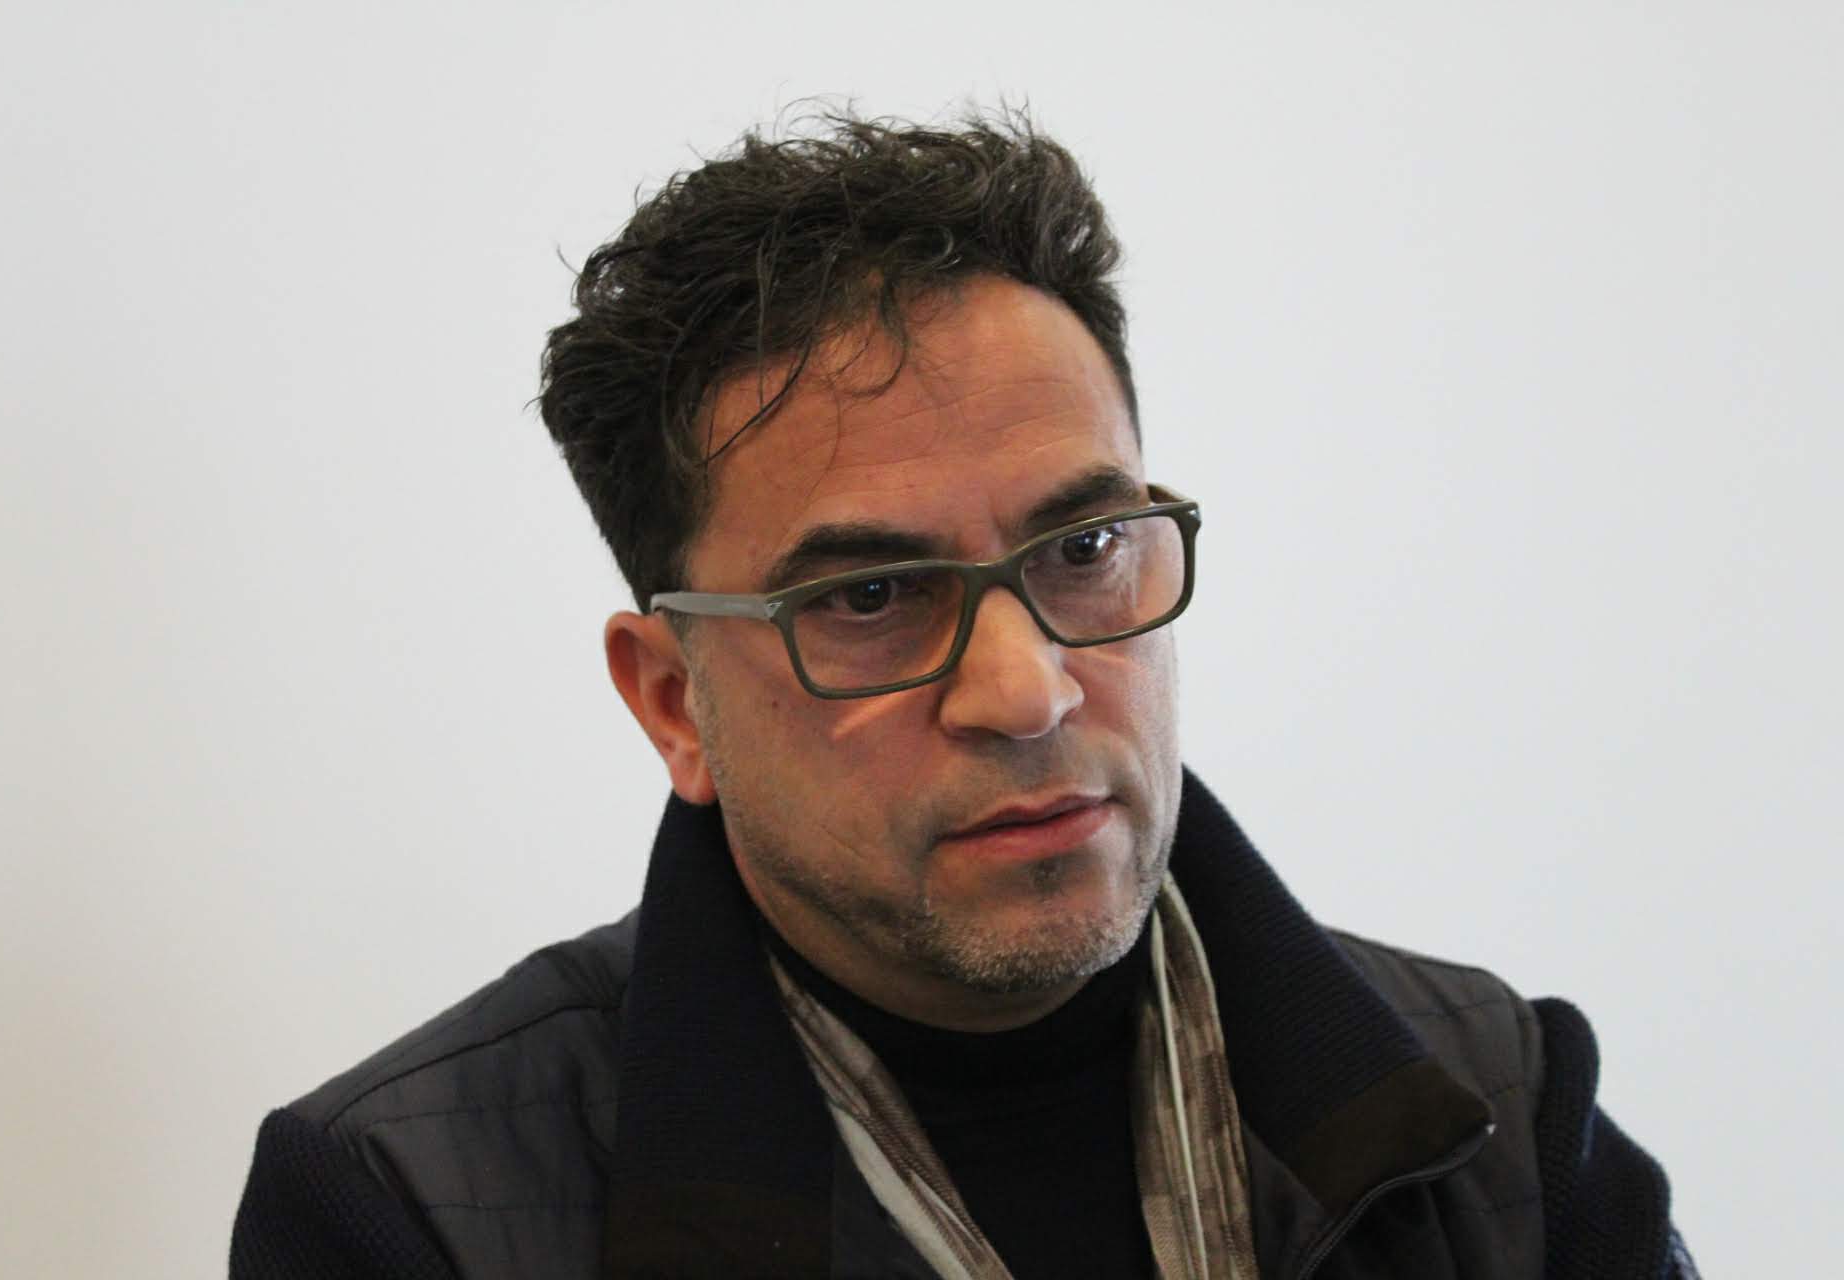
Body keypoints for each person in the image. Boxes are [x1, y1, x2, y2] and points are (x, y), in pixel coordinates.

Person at [230, 111, 1696, 1279]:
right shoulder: (403, 1209)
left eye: (1086, 549)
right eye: (871, 597)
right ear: (673, 701)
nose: (1023, 688)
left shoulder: (1501, 1105)